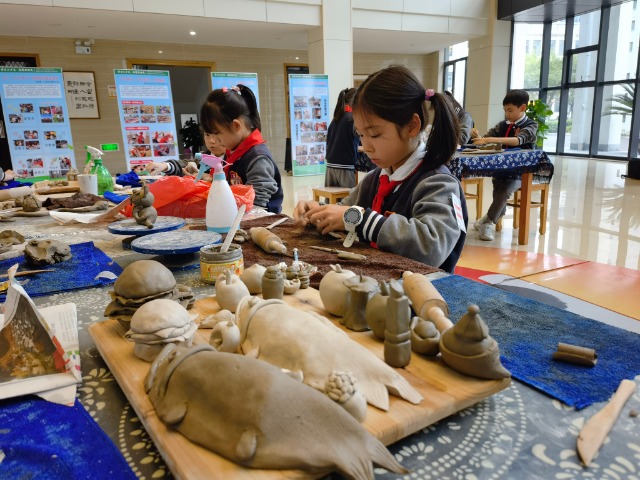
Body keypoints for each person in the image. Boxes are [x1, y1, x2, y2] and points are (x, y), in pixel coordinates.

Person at [293, 65, 468, 272]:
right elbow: (344, 210)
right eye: (360, 135)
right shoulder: (375, 179)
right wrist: (318, 212)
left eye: (374, 134)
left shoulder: (438, 183)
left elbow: (431, 246)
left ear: (412, 126)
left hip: (423, 295)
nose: (366, 146)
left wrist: (356, 219)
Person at [199, 84, 283, 213]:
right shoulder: (233, 150)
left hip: (262, 222)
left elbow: (257, 205)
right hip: (239, 216)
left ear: (236, 126)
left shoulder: (257, 157)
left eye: (217, 133)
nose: (214, 140)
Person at [470, 89, 538, 241]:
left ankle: (487, 223)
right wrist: (478, 137)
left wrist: (489, 140)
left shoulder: (531, 125)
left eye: (510, 110)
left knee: (504, 191)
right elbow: (485, 139)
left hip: (520, 171)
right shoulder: (502, 125)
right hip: (500, 170)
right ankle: (486, 220)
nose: (507, 114)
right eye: (505, 110)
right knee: (499, 194)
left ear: (522, 108)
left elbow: (518, 140)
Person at [324, 87, 359, 188]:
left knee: (331, 201)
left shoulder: (335, 119)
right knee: (349, 199)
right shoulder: (351, 119)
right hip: (345, 166)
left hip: (330, 165)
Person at [146, 142, 226, 182]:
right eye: (208, 134)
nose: (212, 140)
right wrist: (165, 166)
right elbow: (184, 164)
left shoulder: (236, 161)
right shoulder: (204, 157)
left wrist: (212, 179)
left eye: (218, 133)